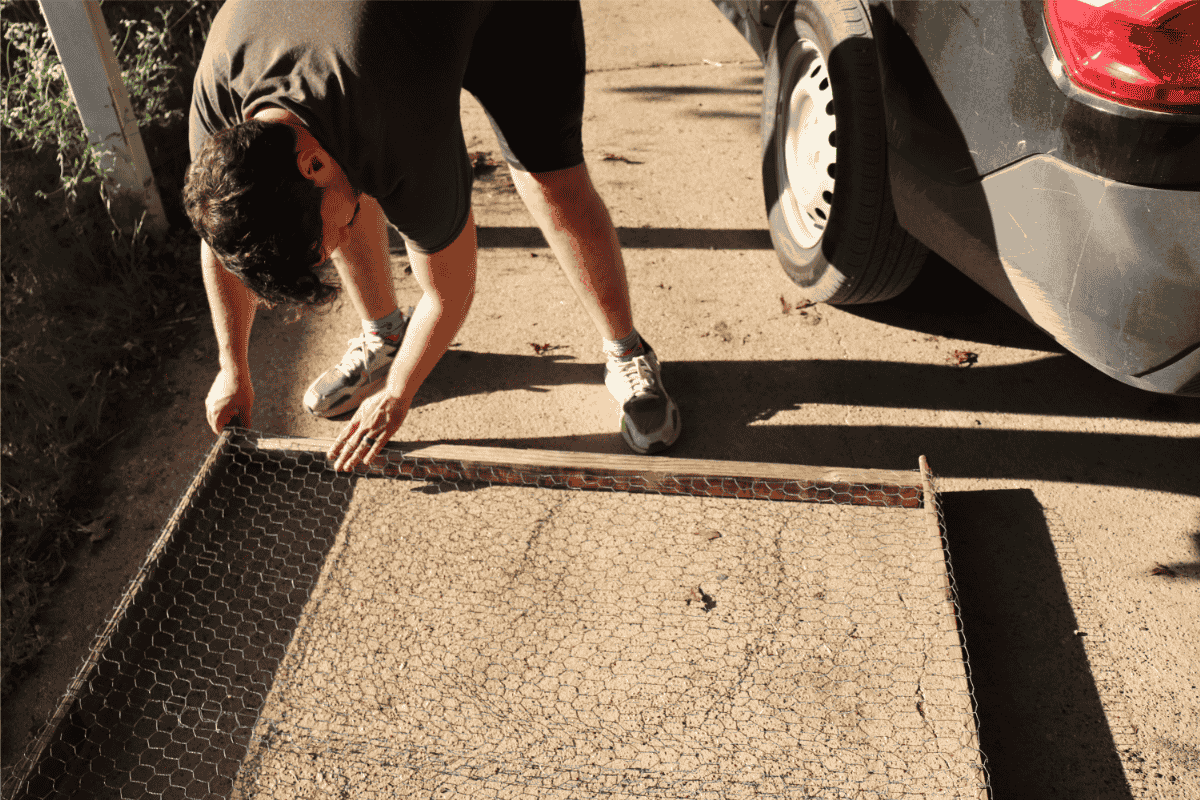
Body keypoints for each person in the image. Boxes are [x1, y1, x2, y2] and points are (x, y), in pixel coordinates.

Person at [183, 1, 681, 472]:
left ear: (310, 163)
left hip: (514, 16)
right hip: (385, 37)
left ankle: (627, 352)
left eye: (323, 247)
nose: (330, 254)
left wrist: (398, 394)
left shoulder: (402, 126)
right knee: (342, 193)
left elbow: (449, 290)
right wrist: (233, 369)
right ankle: (386, 336)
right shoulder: (220, 123)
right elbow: (224, 241)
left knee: (550, 177)